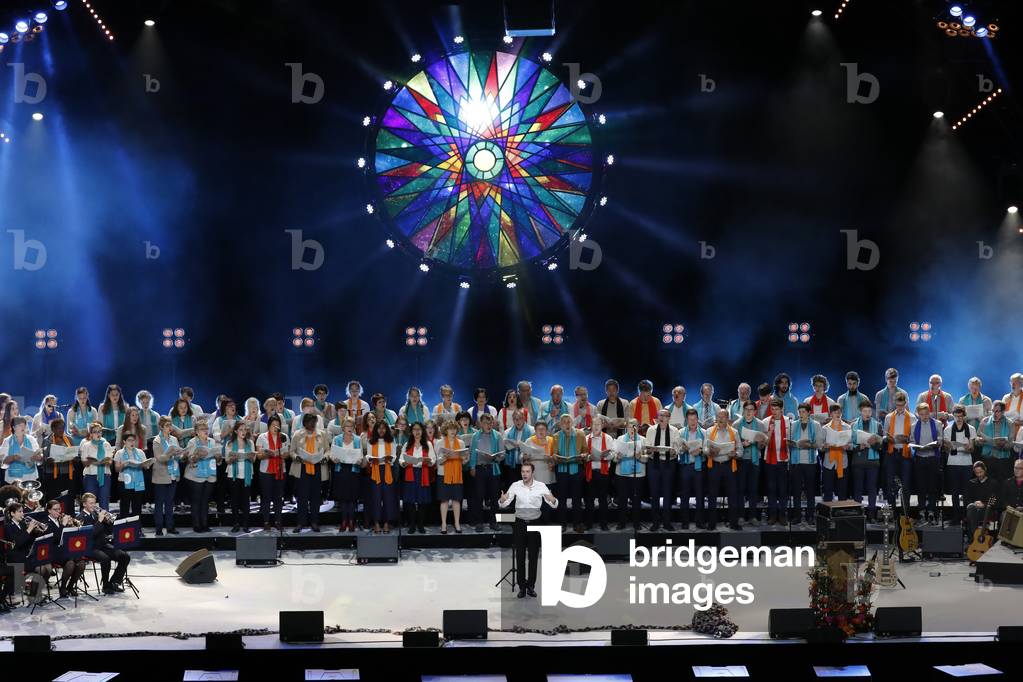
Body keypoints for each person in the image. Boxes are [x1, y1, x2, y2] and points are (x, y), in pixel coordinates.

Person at [498, 462, 558, 599]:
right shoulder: (515, 485)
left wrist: (553, 500)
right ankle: (522, 587)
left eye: (527, 472)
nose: (524, 474)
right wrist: (502, 500)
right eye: (522, 471)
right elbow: (505, 502)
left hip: (535, 523)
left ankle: (531, 585)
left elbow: (554, 504)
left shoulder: (541, 486)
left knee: (533, 556)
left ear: (532, 473)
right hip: (519, 523)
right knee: (520, 556)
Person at [76, 492, 131, 594]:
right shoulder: (80, 518)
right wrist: (100, 521)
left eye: (94, 503)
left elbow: (107, 531)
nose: (93, 505)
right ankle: (106, 586)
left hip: (102, 544)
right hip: (90, 547)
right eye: (90, 503)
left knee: (125, 556)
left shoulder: (95, 514)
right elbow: (90, 535)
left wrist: (108, 521)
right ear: (84, 504)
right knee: (106, 559)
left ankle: (114, 582)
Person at [42, 499, 86, 598]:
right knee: (70, 563)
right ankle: (62, 588)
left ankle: (70, 587)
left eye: (59, 509)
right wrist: (63, 525)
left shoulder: (59, 520)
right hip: (53, 552)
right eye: (55, 509)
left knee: (81, 563)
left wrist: (71, 526)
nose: (58, 511)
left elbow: (69, 537)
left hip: (65, 550)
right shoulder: (46, 523)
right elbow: (55, 538)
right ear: (49, 510)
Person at [290, 413, 327, 533]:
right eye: (310, 422)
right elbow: (292, 451)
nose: (312, 424)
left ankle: (314, 522)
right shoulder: (297, 434)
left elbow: (328, 450)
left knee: (316, 497)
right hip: (302, 468)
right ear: (304, 423)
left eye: (314, 422)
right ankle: (301, 522)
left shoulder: (322, 434)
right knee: (302, 497)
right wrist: (296, 457)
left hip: (317, 468)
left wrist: (325, 457)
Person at [705, 409, 740, 530]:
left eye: (723, 417)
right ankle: (711, 523)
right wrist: (710, 451)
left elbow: (740, 450)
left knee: (732, 495)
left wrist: (735, 454)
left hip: (729, 465)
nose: (720, 419)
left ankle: (733, 523)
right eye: (718, 417)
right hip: (714, 466)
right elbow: (704, 448)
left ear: (727, 418)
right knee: (712, 495)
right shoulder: (709, 431)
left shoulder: (734, 432)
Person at [644, 409, 678, 531]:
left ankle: (667, 522)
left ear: (669, 418)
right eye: (660, 415)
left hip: (669, 463)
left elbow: (676, 449)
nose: (662, 418)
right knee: (654, 494)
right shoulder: (651, 430)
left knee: (668, 494)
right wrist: (651, 450)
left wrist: (674, 451)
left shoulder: (674, 431)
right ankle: (655, 522)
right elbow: (647, 449)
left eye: (664, 416)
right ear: (657, 418)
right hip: (654, 463)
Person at [849, 400, 883, 522]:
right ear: (860, 411)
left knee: (872, 488)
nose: (867, 413)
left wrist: (874, 444)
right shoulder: (853, 425)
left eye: (869, 411)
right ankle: (858, 514)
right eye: (865, 411)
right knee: (857, 488)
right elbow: (849, 444)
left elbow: (881, 446)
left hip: (872, 462)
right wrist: (859, 446)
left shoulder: (877, 425)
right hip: (858, 461)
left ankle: (872, 515)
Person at [469, 413, 503, 532]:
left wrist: (495, 458)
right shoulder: (475, 436)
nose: (488, 425)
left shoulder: (497, 435)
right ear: (480, 424)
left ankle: (493, 522)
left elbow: (502, 453)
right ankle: (479, 522)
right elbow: (472, 452)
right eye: (485, 423)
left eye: (490, 423)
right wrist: (472, 467)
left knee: (494, 497)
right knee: (479, 497)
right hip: (480, 468)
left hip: (493, 468)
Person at [943, 405, 976, 526]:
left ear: (964, 416)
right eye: (956, 416)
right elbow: (946, 449)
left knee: (966, 492)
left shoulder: (971, 429)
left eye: (961, 416)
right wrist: (950, 446)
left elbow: (972, 448)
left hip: (966, 463)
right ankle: (956, 517)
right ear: (953, 416)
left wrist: (968, 448)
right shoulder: (947, 429)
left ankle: (967, 518)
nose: (958, 419)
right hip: (953, 463)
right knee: (955, 492)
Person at [184, 419, 219, 533]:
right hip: (195, 475)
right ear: (197, 432)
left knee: (205, 501)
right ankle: (197, 525)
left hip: (210, 475)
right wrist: (197, 456)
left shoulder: (212, 442)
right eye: (202, 429)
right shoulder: (192, 442)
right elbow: (190, 460)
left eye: (206, 429)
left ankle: (205, 524)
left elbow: (218, 459)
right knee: (196, 501)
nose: (205, 431)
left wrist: (218, 456)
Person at [256, 414, 290, 531]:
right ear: (269, 426)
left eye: (278, 425)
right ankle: (266, 521)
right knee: (266, 497)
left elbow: (287, 453)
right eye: (273, 425)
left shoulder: (284, 437)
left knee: (278, 497)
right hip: (266, 470)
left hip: (280, 470)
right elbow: (259, 456)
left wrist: (282, 454)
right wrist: (268, 453)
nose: (275, 427)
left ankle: (278, 521)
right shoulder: (262, 437)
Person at [734, 401, 766, 524]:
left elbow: (762, 446)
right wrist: (743, 444)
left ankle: (752, 516)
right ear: (743, 410)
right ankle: (741, 516)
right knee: (740, 489)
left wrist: (759, 442)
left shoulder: (760, 424)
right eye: (746, 409)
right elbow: (734, 445)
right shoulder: (737, 424)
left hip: (754, 460)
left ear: (755, 411)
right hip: (741, 460)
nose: (748, 412)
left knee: (753, 489)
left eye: (751, 409)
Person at [553, 413, 586, 533]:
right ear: (560, 425)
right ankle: (562, 523)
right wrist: (555, 456)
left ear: (572, 423)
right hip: (561, 471)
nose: (567, 424)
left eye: (569, 421)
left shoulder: (580, 434)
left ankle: (577, 524)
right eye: (564, 422)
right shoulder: (556, 436)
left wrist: (583, 455)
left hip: (576, 469)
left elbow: (585, 451)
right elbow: (555, 453)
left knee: (576, 498)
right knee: (561, 499)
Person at [789, 403, 821, 525]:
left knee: (810, 490)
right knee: (796, 490)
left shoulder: (816, 425)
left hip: (810, 461)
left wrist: (810, 445)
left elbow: (818, 443)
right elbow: (789, 440)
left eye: (803, 412)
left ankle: (810, 516)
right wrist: (791, 443)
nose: (801, 414)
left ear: (808, 412)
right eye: (800, 412)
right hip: (796, 462)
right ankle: (797, 516)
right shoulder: (793, 425)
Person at [400, 422, 435, 534]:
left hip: (422, 473)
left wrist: (429, 461)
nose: (417, 432)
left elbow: (433, 459)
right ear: (411, 431)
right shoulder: (407, 444)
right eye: (415, 429)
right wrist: (404, 463)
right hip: (410, 473)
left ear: (422, 431)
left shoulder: (428, 444)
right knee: (410, 501)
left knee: (422, 501)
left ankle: (420, 524)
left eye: (419, 429)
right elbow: (401, 458)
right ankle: (412, 525)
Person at [761, 398, 791, 525]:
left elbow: (791, 440)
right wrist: (770, 431)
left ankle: (782, 515)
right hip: (770, 459)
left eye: (777, 409)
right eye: (772, 409)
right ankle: (772, 515)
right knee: (771, 489)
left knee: (783, 489)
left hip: (783, 460)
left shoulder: (789, 422)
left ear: (781, 409)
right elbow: (763, 444)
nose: (774, 412)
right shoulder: (766, 422)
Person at [328, 417, 361, 532]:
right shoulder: (337, 439)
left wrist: (359, 460)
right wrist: (334, 459)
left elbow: (360, 455)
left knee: (352, 499)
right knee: (343, 499)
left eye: (351, 426)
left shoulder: (357, 439)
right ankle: (343, 521)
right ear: (343, 428)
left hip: (353, 470)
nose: (350, 428)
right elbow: (332, 454)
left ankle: (351, 522)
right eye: (347, 426)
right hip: (341, 470)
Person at [883, 393, 916, 510]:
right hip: (892, 452)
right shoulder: (888, 417)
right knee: (890, 482)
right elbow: (884, 434)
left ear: (905, 404)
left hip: (905, 453)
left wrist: (907, 439)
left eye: (902, 405)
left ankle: (905, 511)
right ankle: (891, 510)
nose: (900, 408)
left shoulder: (912, 418)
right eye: (897, 405)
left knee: (906, 483)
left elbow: (914, 438)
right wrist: (887, 438)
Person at [151, 416, 182, 535]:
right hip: (161, 475)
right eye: (167, 426)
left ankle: (170, 526)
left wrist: (182, 454)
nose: (170, 428)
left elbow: (178, 456)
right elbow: (159, 458)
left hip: (173, 474)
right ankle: (158, 527)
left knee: (170, 502)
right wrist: (170, 453)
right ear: (161, 427)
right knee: (159, 503)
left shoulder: (174, 439)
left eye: (171, 425)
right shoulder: (157, 440)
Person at [676, 408, 706, 529]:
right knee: (685, 495)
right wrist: (682, 449)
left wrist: (701, 451)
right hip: (685, 466)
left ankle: (700, 521)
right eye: (690, 419)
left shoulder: (704, 432)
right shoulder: (681, 432)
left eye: (694, 419)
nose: (692, 422)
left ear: (697, 419)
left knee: (700, 495)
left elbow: (708, 449)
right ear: (686, 420)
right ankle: (685, 521)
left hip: (699, 466)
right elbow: (677, 450)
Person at [224, 421, 255, 533]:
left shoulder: (250, 443)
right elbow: (227, 460)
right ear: (236, 431)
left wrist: (250, 456)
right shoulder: (230, 443)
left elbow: (253, 460)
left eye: (245, 430)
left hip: (246, 475)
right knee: (235, 501)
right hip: (234, 475)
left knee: (246, 501)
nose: (243, 432)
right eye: (241, 430)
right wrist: (233, 457)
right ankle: (236, 523)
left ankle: (245, 524)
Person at [584, 415, 614, 530]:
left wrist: (603, 457)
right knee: (589, 500)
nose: (596, 426)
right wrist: (588, 457)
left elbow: (612, 454)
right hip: (590, 472)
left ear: (602, 426)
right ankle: (589, 523)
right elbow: (583, 456)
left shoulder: (608, 438)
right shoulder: (586, 439)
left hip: (603, 472)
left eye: (598, 424)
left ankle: (604, 524)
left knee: (603, 499)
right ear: (591, 426)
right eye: (594, 424)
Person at [437, 421, 467, 534]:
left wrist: (465, 459)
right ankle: (443, 524)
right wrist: (445, 457)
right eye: (450, 429)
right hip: (443, 474)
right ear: (445, 430)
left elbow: (463, 461)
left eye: (454, 429)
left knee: (456, 500)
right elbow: (437, 461)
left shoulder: (461, 443)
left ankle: (457, 523)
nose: (453, 431)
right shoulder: (440, 443)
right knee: (444, 500)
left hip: (457, 474)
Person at [41, 418, 80, 506]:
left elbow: (75, 454)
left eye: (62, 427)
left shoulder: (69, 439)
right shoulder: (47, 440)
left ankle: (69, 514)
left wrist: (75, 458)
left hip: (67, 473)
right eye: (58, 428)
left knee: (68, 498)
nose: (61, 430)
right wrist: (48, 460)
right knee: (54, 498)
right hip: (53, 474)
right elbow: (44, 457)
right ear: (53, 429)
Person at [114, 432, 151, 523]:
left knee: (137, 507)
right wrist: (123, 464)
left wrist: (147, 464)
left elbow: (146, 467)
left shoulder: (140, 452)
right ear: (124, 442)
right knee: (124, 507)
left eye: (133, 440)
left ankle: (137, 529)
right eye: (129, 440)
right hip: (124, 483)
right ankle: (123, 529)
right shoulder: (119, 453)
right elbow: (116, 469)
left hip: (137, 482)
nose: (132, 442)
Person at [80, 422, 114, 510]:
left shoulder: (106, 444)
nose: (98, 434)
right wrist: (91, 460)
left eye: (99, 431)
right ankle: (90, 522)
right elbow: (84, 463)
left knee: (104, 502)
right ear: (90, 434)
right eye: (95, 432)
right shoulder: (86, 445)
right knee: (90, 503)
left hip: (105, 476)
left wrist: (105, 461)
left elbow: (110, 462)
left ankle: (104, 522)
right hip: (90, 476)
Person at [977, 401, 1014, 483]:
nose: (994, 413)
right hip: (987, 458)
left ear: (1003, 412)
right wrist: (979, 440)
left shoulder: (1009, 423)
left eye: (997, 411)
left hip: (1002, 459)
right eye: (993, 411)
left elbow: (1011, 444)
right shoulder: (985, 421)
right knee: (988, 485)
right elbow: (977, 438)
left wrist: (1002, 445)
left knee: (1001, 485)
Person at [821, 404, 851, 501]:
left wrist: (848, 446)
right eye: (835, 412)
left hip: (842, 462)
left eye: (839, 412)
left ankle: (841, 513)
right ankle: (827, 514)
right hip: (829, 462)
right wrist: (824, 446)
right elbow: (820, 446)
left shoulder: (847, 427)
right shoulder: (825, 428)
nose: (837, 414)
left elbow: (851, 445)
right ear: (831, 414)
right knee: (828, 490)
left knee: (842, 491)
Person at [1, 416, 42, 483]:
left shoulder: (31, 439)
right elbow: (2, 463)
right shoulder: (7, 441)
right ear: (13, 427)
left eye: (24, 425)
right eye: (20, 425)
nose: (23, 427)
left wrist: (37, 457)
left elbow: (39, 458)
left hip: (30, 477)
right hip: (13, 479)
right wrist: (13, 457)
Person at [965, 461, 999, 538]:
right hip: (974, 510)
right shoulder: (971, 483)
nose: (979, 475)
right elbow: (967, 499)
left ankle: (974, 539)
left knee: (973, 513)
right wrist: (974, 503)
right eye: (977, 473)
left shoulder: (993, 483)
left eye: (980, 472)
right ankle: (976, 538)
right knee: (971, 509)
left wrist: (984, 504)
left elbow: (996, 501)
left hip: (987, 510)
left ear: (985, 470)